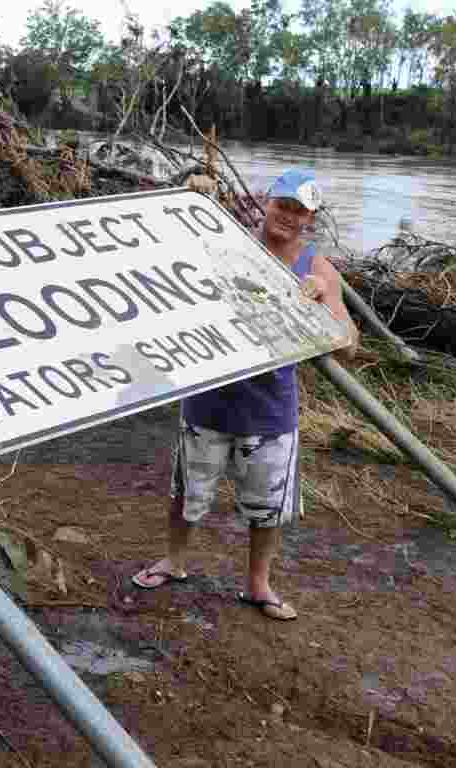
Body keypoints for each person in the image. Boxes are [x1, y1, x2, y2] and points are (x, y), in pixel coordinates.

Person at [131, 169, 360, 621]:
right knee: (186, 491)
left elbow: (350, 344)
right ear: (267, 203)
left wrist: (319, 306)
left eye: (300, 212)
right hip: (208, 399)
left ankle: (258, 585)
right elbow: (166, 252)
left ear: (311, 219)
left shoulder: (318, 269)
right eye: (283, 206)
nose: (289, 218)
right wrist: (190, 197)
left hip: (270, 412)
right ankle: (174, 562)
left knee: (267, 508)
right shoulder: (228, 240)